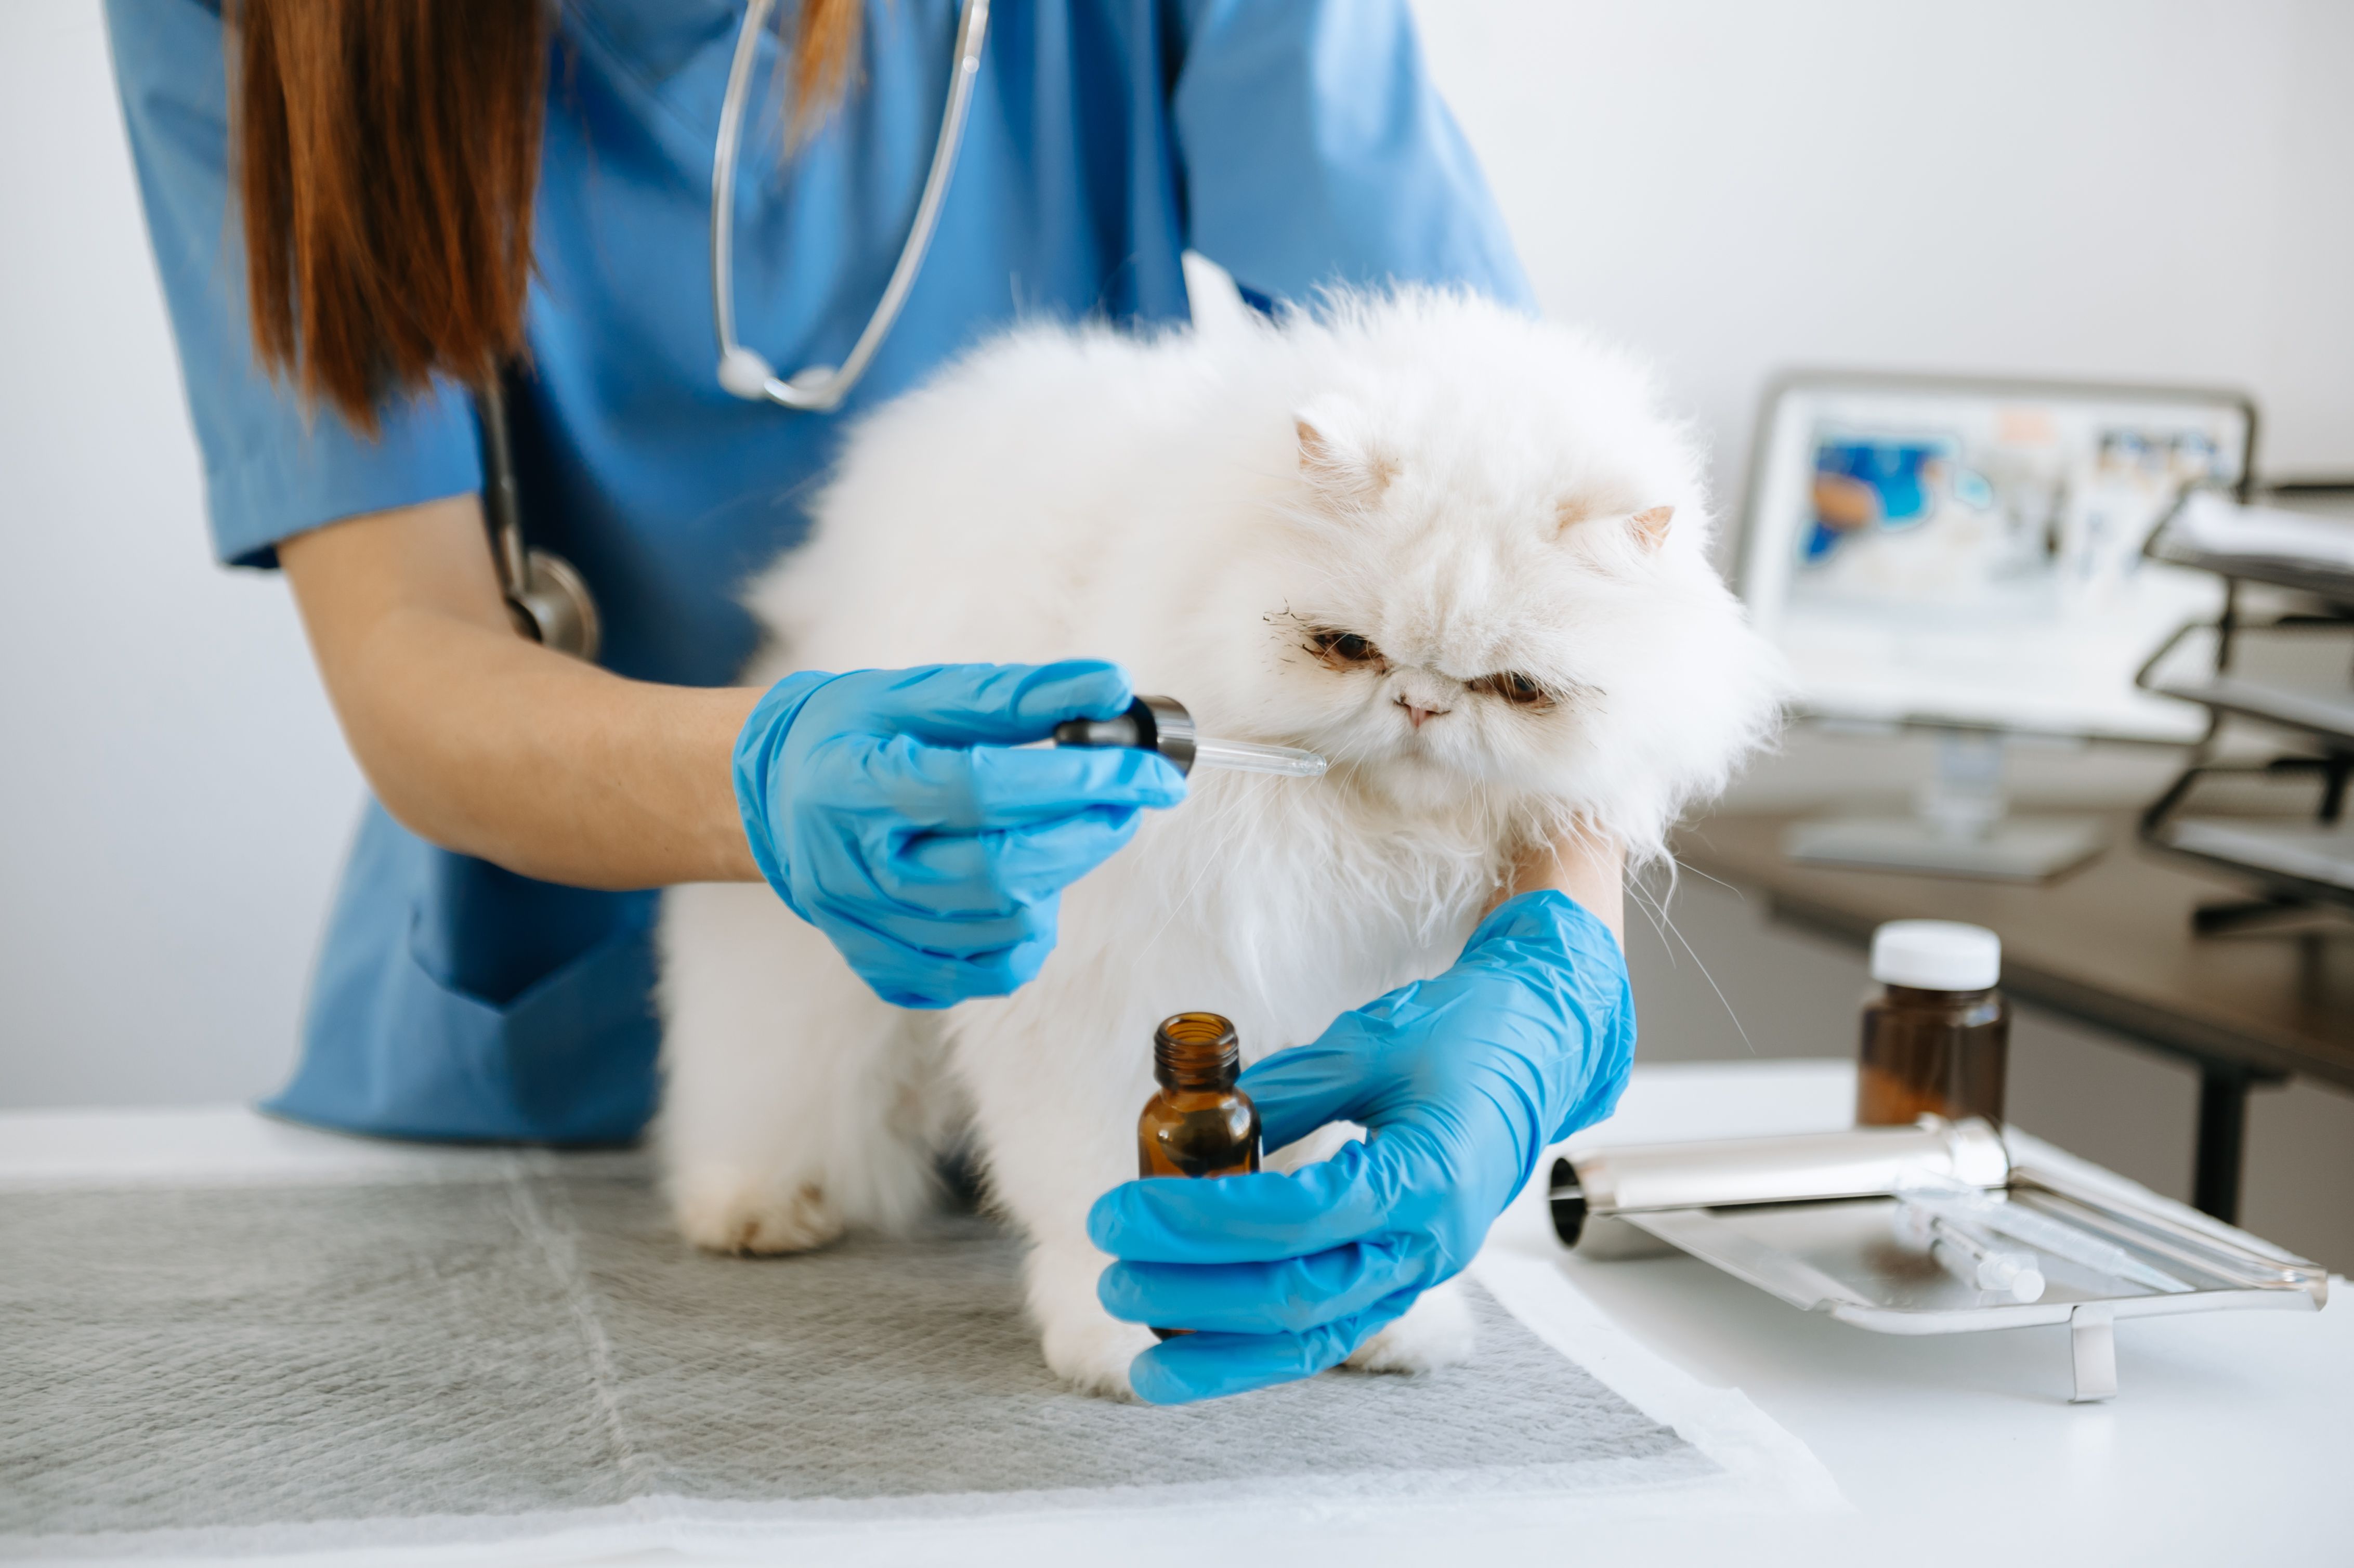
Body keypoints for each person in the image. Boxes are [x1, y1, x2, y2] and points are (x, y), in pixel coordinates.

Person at [107, 0, 1633, 1403]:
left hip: (1179, 1001)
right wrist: (771, 777)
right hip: (536, 1006)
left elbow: (1527, 518)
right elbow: (405, 647)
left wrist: (1553, 952)